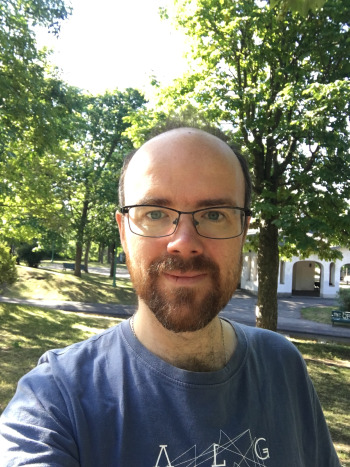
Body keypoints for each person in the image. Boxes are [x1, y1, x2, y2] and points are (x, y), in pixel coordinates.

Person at [0, 128, 340, 466]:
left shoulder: (282, 365)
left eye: (214, 214)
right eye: (155, 213)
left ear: (243, 229)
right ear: (123, 231)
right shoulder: (55, 399)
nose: (183, 241)